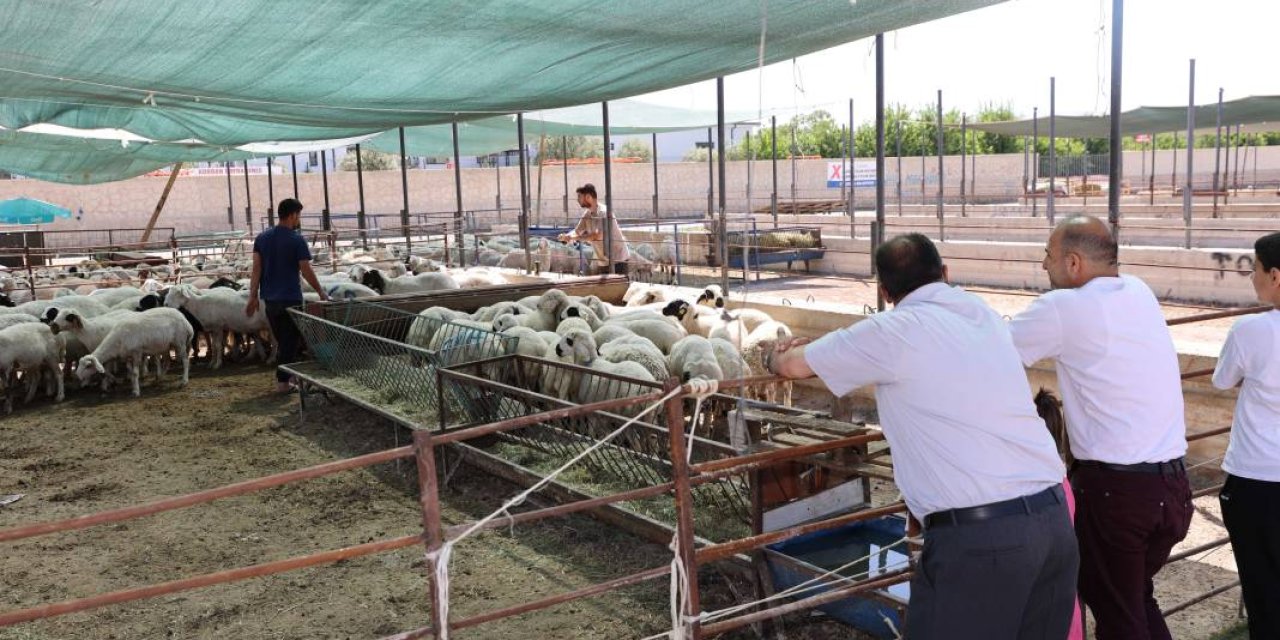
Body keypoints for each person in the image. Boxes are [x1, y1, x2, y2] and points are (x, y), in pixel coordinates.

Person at [769, 233, 1078, 639]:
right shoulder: (980, 313)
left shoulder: (891, 331)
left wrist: (772, 355)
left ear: (884, 291)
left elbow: (792, 366)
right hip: (1054, 522)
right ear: (945, 273)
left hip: (981, 541)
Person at [1009, 216, 1191, 640]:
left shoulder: (1064, 307)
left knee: (1120, 617)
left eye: (1048, 257)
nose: (1043, 267)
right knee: (1133, 602)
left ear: (1073, 263)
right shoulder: (1139, 291)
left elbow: (994, 352)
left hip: (1118, 493)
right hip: (1171, 490)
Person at [1212, 232, 1280, 640]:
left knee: (1262, 591)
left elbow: (1223, 380)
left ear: (1275, 275)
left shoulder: (1252, 330)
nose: (1251, 277)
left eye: (1254, 269)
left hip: (1256, 480)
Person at [246, 198, 328, 393]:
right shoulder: (296, 239)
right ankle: (283, 383)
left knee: (284, 341)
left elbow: (256, 268)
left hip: (270, 300)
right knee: (290, 342)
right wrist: (320, 292)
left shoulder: (262, 238)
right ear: (292, 215)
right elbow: (306, 269)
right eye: (298, 215)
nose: (299, 219)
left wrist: (252, 296)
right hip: (290, 298)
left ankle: (288, 378)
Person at [557, 183, 629, 275]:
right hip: (603, 262)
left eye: (580, 197)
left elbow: (596, 235)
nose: (578, 200)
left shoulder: (604, 213)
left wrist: (573, 238)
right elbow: (577, 231)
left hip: (618, 261)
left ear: (588, 197)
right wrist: (566, 236)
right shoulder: (587, 214)